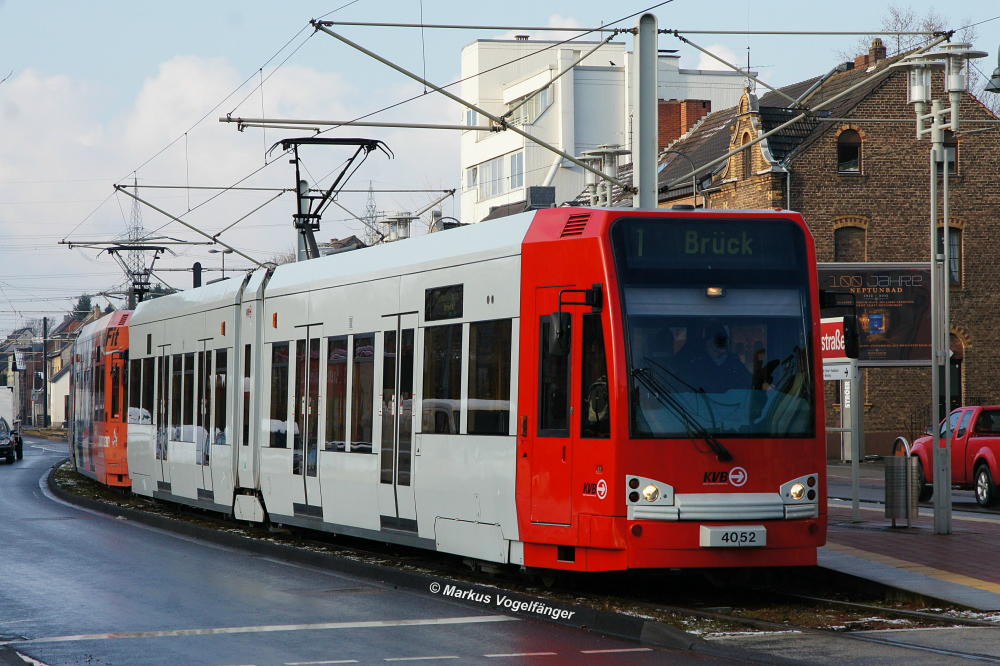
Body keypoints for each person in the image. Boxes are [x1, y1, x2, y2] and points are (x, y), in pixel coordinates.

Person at [680, 323, 751, 393]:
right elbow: (685, 391)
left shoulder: (735, 364)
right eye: (719, 339)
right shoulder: (696, 366)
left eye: (725, 339)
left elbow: (750, 387)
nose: (723, 342)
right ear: (708, 342)